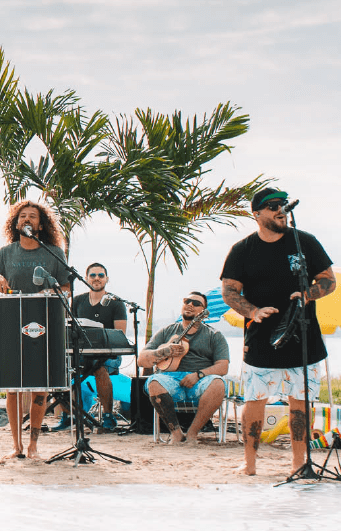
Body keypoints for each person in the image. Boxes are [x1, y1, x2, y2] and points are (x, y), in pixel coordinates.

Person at [221, 188, 335, 475]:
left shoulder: (304, 242)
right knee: (255, 400)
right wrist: (252, 312)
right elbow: (229, 291)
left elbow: (329, 280)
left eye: (282, 204)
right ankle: (249, 464)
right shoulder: (243, 249)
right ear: (257, 214)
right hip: (261, 337)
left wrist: (308, 294)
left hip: (303, 333)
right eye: (272, 206)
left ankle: (299, 463)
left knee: (301, 403)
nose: (280, 209)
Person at [0, 199, 72, 460]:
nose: (27, 220)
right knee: (13, 387)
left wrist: (50, 290)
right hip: (10, 324)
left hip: (43, 325)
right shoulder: (6, 253)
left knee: (40, 387)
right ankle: (16, 446)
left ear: (41, 225)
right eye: (22, 216)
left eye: (32, 216)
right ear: (16, 223)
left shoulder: (53, 252)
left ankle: (33, 446)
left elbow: (66, 288)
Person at [136, 291, 229, 443]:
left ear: (203, 312)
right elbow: (142, 360)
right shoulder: (167, 331)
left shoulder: (214, 335)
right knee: (153, 382)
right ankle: (176, 433)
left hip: (200, 379)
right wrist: (163, 351)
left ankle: (192, 433)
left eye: (196, 303)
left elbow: (223, 367)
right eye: (187, 301)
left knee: (218, 384)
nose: (190, 305)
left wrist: (198, 375)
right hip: (169, 378)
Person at [53, 262, 129, 431]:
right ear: (86, 279)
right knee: (58, 367)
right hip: (80, 353)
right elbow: (67, 326)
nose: (96, 279)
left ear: (107, 279)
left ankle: (109, 416)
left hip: (108, 356)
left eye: (100, 275)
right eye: (93, 275)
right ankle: (68, 415)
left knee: (99, 368)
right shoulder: (77, 301)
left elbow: (120, 334)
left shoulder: (116, 303)